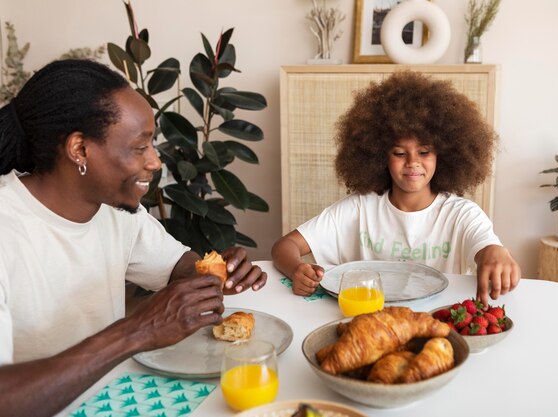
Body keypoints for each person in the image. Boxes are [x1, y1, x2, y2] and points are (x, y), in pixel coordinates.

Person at [0, 59, 266, 417]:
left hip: (111, 399)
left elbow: (177, 266)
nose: (155, 162)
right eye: (140, 147)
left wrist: (216, 272)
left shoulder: (113, 210)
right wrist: (135, 331)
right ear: (79, 149)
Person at [272, 71, 520, 305]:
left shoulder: (462, 214)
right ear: (379, 156)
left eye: (424, 152)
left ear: (444, 154)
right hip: (364, 320)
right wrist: (297, 269)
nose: (413, 162)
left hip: (438, 324)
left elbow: (488, 249)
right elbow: (285, 247)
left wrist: (495, 254)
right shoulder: (359, 208)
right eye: (400, 153)